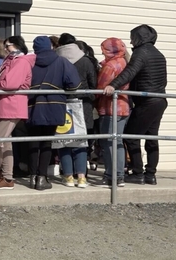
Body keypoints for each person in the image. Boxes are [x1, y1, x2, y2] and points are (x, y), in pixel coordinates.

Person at [103, 24, 167, 185]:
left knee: (131, 137)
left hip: (146, 102)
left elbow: (130, 72)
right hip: (160, 100)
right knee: (151, 138)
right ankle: (151, 174)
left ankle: (138, 173)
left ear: (139, 37)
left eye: (133, 38)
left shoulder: (141, 53)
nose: (131, 42)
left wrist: (113, 85)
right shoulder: (158, 54)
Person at [27, 36, 81, 190]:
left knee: (32, 141)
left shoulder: (30, 62)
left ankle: (31, 177)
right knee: (46, 143)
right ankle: (42, 178)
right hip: (54, 105)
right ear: (50, 46)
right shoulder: (62, 61)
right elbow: (75, 84)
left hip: (32, 105)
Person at [55, 33, 97, 188]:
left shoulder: (57, 60)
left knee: (63, 141)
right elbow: (93, 83)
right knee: (81, 142)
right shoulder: (85, 61)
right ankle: (81, 177)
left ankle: (68, 176)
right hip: (83, 104)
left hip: (62, 103)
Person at [0, 36, 35, 190]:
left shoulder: (21, 61)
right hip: (6, 104)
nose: (5, 48)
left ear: (17, 45)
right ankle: (7, 176)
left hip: (12, 105)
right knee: (5, 142)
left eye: (8, 45)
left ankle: (1, 173)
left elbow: (11, 83)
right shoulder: (11, 60)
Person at [97, 38, 130, 187]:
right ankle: (120, 175)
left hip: (110, 108)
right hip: (124, 107)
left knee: (108, 142)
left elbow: (101, 87)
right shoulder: (124, 62)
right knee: (118, 142)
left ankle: (112, 175)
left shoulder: (110, 66)